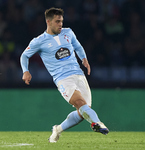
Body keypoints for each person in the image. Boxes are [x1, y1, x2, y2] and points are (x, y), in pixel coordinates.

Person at [20, 7, 109, 143]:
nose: (60, 24)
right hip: (63, 79)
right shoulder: (39, 41)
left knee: (83, 111)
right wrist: (25, 71)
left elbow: (77, 46)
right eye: (57, 22)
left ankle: (58, 130)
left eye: (61, 21)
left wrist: (84, 58)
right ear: (48, 22)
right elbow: (24, 55)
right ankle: (97, 123)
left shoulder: (68, 32)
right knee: (80, 103)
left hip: (79, 75)